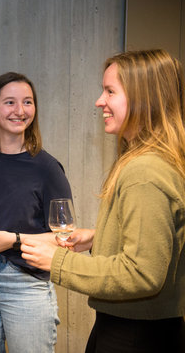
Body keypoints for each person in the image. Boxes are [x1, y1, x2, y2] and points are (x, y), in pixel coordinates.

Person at [21, 49, 185, 352]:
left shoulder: (145, 170)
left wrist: (58, 262)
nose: (100, 101)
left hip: (136, 335)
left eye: (110, 91)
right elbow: (161, 243)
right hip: (135, 326)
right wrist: (98, 238)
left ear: (143, 98)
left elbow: (143, 273)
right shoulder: (149, 161)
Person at [0, 72, 73, 353]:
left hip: (26, 284)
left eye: (28, 102)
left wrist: (14, 240)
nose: (20, 111)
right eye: (10, 102)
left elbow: (65, 236)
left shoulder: (47, 168)